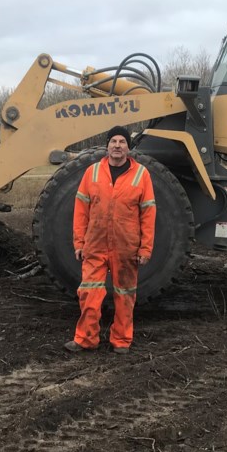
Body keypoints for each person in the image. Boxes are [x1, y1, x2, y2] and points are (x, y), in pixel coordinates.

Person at [64, 126, 156, 355]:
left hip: (126, 246)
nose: (117, 145)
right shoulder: (92, 172)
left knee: (125, 295)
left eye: (122, 142)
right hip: (94, 244)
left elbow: (148, 213)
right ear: (107, 146)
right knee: (89, 293)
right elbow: (80, 211)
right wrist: (79, 242)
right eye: (113, 141)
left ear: (128, 147)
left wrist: (145, 248)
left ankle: (122, 340)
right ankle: (85, 339)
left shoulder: (141, 174)